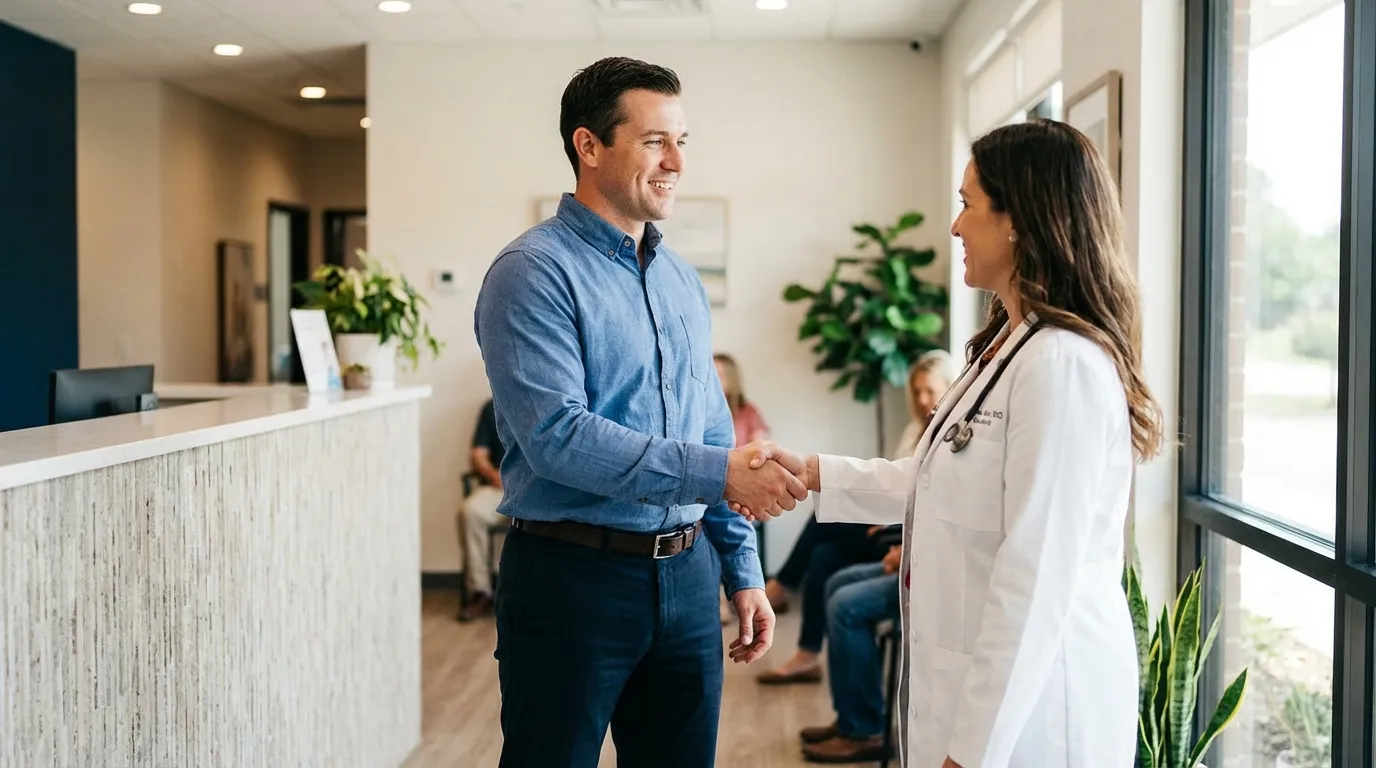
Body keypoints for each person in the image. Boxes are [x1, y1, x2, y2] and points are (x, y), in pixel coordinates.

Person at [736, 119, 1165, 768]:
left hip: (1037, 717)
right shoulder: (1008, 348)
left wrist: (971, 754)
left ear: (1019, 218)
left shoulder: (1061, 365)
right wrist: (815, 471)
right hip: (968, 690)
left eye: (968, 205)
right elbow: (937, 476)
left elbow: (1035, 577)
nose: (957, 227)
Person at [473, 56, 807, 768]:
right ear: (588, 146)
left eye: (682, 141)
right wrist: (719, 472)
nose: (677, 161)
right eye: (656, 140)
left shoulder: (680, 279)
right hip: (572, 581)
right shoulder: (532, 272)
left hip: (688, 580)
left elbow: (711, 427)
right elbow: (558, 438)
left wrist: (741, 571)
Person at [752, 351, 956, 684]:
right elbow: (900, 486)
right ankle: (807, 655)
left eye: (930, 391)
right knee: (822, 557)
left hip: (900, 540)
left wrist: (892, 525)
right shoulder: (913, 431)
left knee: (822, 523)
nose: (921, 399)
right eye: (916, 391)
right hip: (892, 528)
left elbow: (927, 498)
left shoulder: (948, 438)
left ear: (949, 389)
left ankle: (782, 586)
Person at [799, 546, 903, 763]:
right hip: (913, 557)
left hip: (926, 572)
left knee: (845, 606)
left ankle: (865, 730)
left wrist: (906, 553)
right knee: (837, 581)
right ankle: (850, 716)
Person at [456, 398, 504, 621]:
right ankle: (480, 592)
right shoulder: (491, 407)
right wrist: (495, 476)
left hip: (540, 490)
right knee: (470, 511)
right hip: (500, 488)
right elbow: (478, 455)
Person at [714, 353, 769, 447]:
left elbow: (760, 449)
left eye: (718, 375)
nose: (713, 381)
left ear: (731, 379)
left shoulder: (749, 412)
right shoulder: (698, 411)